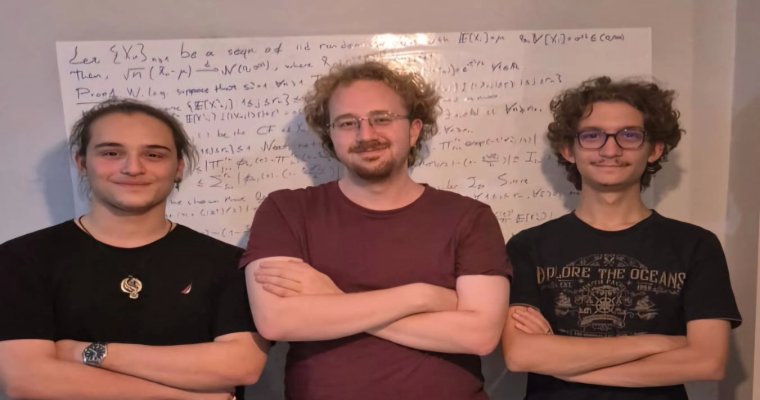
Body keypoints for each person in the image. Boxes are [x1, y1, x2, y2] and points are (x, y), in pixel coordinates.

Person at [242, 60, 510, 400]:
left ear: (413, 130)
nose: (365, 135)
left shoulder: (469, 217)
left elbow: (480, 336)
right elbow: (277, 321)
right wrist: (422, 297)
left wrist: (333, 299)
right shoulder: (286, 210)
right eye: (347, 123)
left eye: (382, 119)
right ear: (330, 135)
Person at [0, 99, 269, 399]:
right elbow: (25, 380)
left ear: (179, 167)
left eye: (153, 154)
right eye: (111, 153)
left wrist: (87, 352)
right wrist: (186, 397)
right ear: (82, 163)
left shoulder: (228, 262)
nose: (133, 168)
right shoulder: (22, 259)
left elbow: (242, 365)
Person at [502, 76, 742, 399]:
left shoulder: (696, 245)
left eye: (629, 135)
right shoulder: (528, 246)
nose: (610, 149)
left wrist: (559, 358)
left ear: (655, 149)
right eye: (592, 135)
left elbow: (707, 362)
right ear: (568, 150)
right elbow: (520, 355)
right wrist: (660, 343)